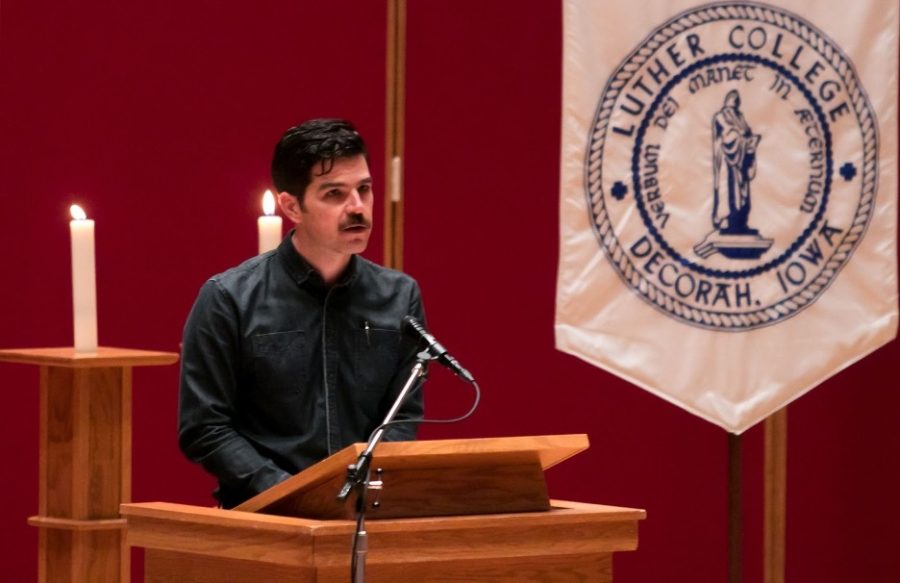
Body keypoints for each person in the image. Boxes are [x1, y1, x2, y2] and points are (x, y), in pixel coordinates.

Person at [178, 119, 425, 508]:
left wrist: (365, 488)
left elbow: (402, 415)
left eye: (364, 189)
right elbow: (204, 427)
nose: (357, 208)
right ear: (292, 206)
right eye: (334, 194)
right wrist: (293, 494)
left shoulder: (399, 296)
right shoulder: (228, 298)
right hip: (265, 516)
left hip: (365, 516)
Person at [711, 89, 761, 234]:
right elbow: (727, 136)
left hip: (742, 162)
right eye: (733, 102)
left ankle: (741, 221)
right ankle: (729, 221)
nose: (734, 106)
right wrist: (742, 139)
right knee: (730, 191)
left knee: (743, 192)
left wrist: (751, 140)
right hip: (728, 162)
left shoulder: (740, 116)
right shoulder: (720, 116)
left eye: (736, 103)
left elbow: (746, 131)